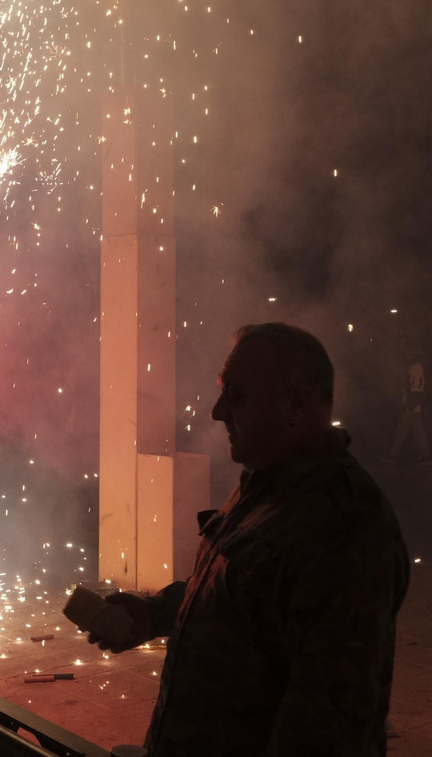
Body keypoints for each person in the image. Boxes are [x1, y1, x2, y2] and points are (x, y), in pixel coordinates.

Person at [89, 323, 408, 756]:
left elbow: (328, 727)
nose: (217, 411)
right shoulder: (263, 485)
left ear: (296, 404)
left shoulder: (345, 523)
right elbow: (242, 592)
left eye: (236, 395)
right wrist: (156, 612)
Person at [387, 349, 431, 464]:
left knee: (403, 430)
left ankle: (394, 455)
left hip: (411, 405)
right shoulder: (412, 367)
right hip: (411, 405)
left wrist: (411, 404)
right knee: (417, 431)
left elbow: (417, 387)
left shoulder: (416, 367)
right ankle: (426, 456)